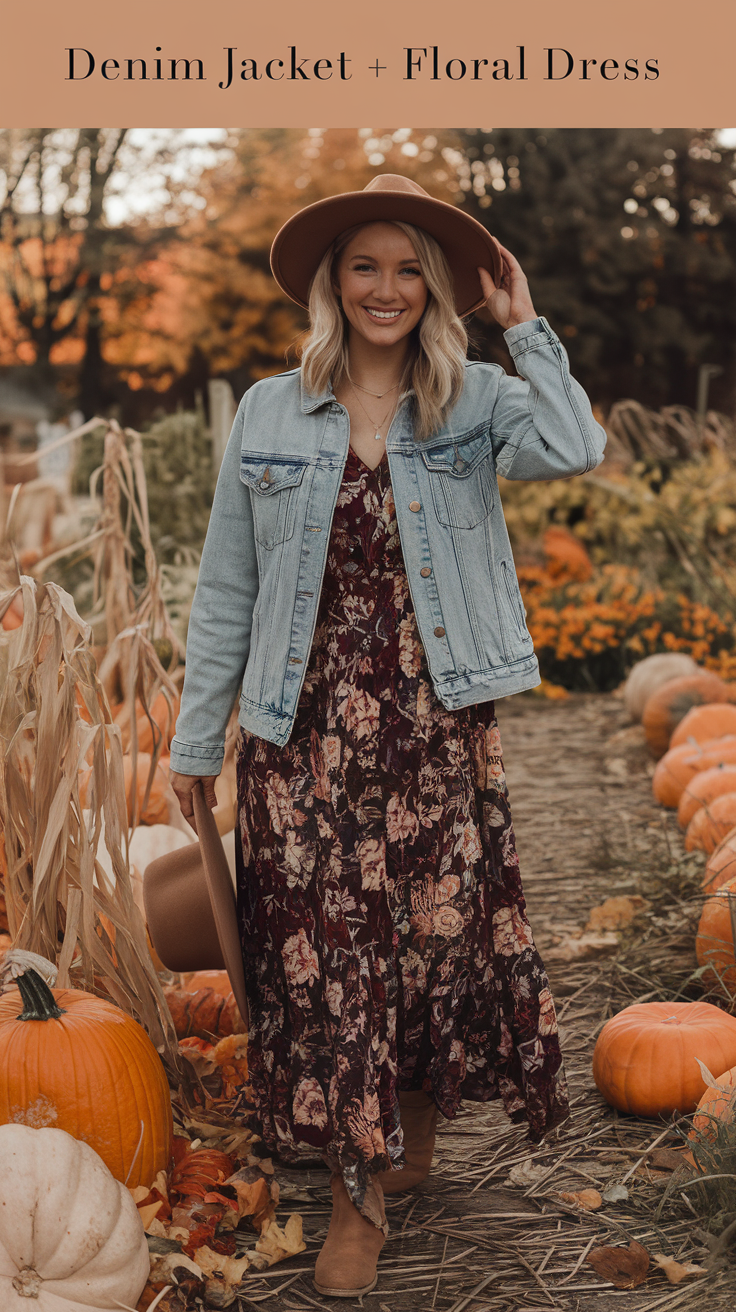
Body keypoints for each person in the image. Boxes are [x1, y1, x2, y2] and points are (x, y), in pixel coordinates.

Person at [169, 174, 607, 1299]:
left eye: (411, 267)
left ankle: (409, 1131)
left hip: (431, 728)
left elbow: (576, 445)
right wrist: (194, 739)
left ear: (439, 287)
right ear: (331, 281)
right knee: (331, 965)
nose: (386, 289)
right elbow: (227, 586)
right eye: (364, 265)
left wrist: (524, 325)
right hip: (301, 736)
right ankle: (354, 1202)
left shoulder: (475, 401)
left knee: (426, 941)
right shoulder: (271, 409)